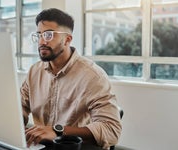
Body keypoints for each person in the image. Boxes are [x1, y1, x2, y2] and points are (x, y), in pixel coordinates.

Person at [20, 8, 122, 149]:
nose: (42, 41)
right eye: (39, 35)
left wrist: (57, 131)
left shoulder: (93, 76)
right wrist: (13, 123)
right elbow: (20, 106)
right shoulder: (34, 71)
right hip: (41, 147)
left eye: (49, 35)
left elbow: (111, 130)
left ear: (67, 39)